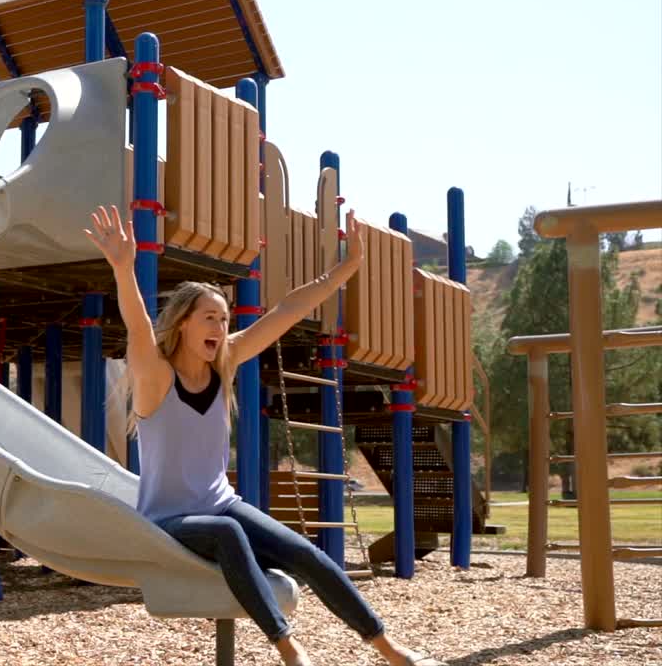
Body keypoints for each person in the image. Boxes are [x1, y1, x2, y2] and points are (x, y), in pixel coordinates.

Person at [84, 205, 446, 666]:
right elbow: (137, 326)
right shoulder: (156, 376)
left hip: (221, 505)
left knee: (308, 555)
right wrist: (123, 267)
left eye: (224, 319)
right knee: (228, 532)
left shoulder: (226, 363)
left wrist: (347, 267)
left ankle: (390, 650)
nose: (221, 328)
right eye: (210, 318)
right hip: (169, 520)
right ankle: (287, 647)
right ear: (183, 323)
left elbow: (288, 310)